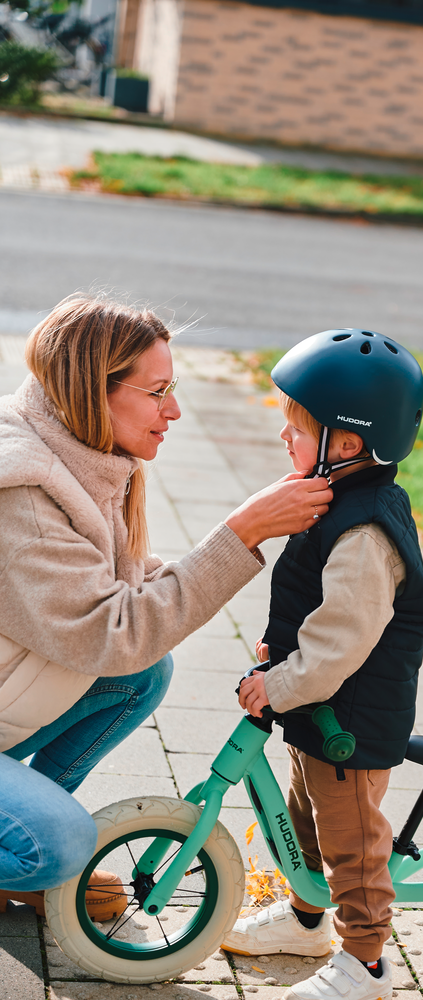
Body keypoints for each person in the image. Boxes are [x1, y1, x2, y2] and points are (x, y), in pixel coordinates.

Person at [0, 294, 332, 918]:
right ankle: (25, 854)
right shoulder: (23, 498)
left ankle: (10, 842)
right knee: (64, 843)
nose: (174, 410)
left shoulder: (74, 453)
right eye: (157, 391)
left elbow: (114, 588)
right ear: (93, 390)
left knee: (140, 676)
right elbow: (114, 631)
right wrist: (242, 533)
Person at [222, 329, 423, 1000]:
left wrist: (280, 682)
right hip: (321, 707)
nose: (285, 438)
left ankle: (366, 963)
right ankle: (308, 920)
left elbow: (340, 642)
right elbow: (313, 604)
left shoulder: (366, 528)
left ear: (346, 443)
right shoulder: (337, 499)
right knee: (304, 813)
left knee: (354, 846)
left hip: (352, 719)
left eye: (297, 427)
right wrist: (276, 658)